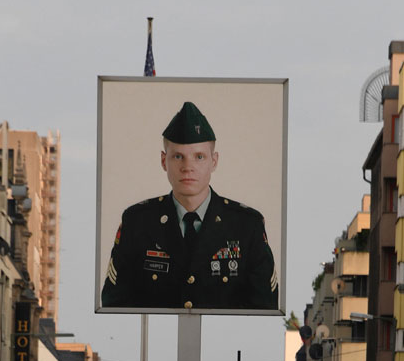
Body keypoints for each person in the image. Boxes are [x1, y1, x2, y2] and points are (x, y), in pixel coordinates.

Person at [100, 101, 279, 312]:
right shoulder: (138, 222)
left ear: (214, 161)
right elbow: (115, 304)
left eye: (199, 157)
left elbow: (264, 306)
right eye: (178, 157)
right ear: (163, 161)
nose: (187, 167)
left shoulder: (247, 225)